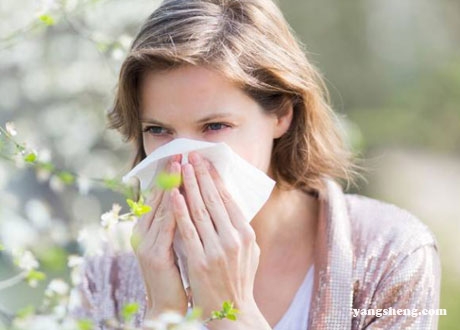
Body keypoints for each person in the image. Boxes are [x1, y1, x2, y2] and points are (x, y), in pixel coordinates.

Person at [73, 0, 441, 329]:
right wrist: (164, 315)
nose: (183, 159)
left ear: (282, 113)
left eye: (215, 126)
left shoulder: (391, 256)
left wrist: (232, 315)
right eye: (158, 130)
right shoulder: (109, 271)